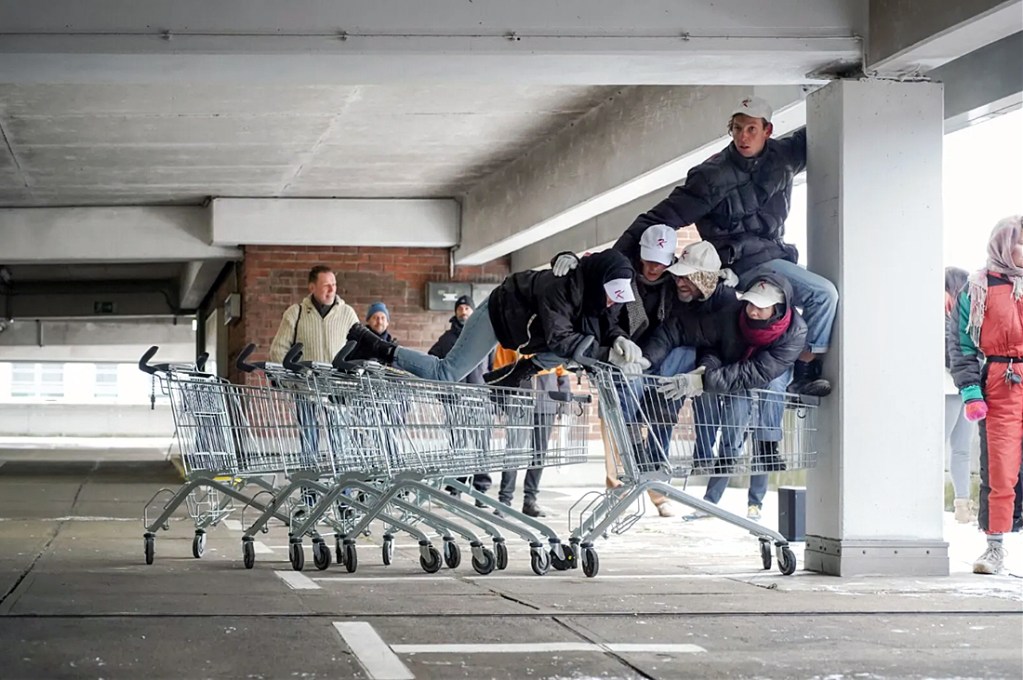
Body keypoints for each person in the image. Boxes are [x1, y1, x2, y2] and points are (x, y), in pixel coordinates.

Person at [559, 95, 837, 397]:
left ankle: (799, 371)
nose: (743, 137)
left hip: (775, 259)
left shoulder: (784, 157)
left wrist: (834, 98)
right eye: (737, 128)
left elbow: (825, 124)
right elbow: (656, 219)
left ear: (767, 131)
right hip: (738, 266)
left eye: (751, 129)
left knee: (800, 311)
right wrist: (599, 265)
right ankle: (804, 370)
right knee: (823, 294)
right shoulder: (711, 177)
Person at [345, 250, 640, 386]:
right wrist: (606, 355)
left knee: (578, 346)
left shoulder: (600, 296)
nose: (613, 301)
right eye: (611, 293)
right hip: (498, 314)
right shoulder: (561, 287)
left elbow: (604, 324)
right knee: (446, 373)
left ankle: (511, 377)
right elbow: (560, 338)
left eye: (619, 296)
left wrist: (618, 339)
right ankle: (373, 345)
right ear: (598, 279)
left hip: (521, 328)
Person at [650, 271, 807, 520]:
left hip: (767, 373)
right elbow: (712, 344)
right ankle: (711, 503)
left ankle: (756, 501)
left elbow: (759, 371)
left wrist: (705, 379)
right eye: (750, 303)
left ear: (777, 309)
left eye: (760, 307)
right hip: (738, 371)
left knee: (766, 420)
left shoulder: (794, 332)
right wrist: (705, 369)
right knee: (733, 431)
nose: (752, 311)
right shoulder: (734, 314)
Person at [948, 215, 1023, 574]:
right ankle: (994, 547)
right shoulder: (976, 287)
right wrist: (971, 391)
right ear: (1003, 246)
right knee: (1000, 466)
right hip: (1000, 382)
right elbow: (961, 345)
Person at [268, 265, 359, 507]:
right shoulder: (295, 313)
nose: (332, 289)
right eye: (326, 285)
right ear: (312, 287)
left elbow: (360, 348)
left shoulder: (348, 314)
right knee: (308, 442)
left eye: (334, 284)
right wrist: (290, 381)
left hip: (338, 392)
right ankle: (309, 495)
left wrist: (353, 376)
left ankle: (344, 497)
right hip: (305, 391)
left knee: (340, 444)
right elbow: (278, 350)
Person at [490, 345, 572, 518]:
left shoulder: (550, 341)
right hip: (519, 400)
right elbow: (499, 372)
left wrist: (564, 403)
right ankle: (504, 501)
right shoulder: (509, 341)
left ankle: (530, 501)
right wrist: (503, 405)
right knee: (514, 451)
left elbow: (562, 373)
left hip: (546, 399)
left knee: (539, 453)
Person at [429, 294, 493, 500]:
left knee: (481, 445)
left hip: (478, 400)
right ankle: (456, 486)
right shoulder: (446, 340)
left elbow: (494, 368)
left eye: (467, 308)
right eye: (460, 308)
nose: (463, 311)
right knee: (458, 445)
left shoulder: (485, 338)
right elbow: (432, 364)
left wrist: (492, 396)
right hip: (454, 401)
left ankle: (481, 489)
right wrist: (443, 393)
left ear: (473, 313)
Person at [945, 267, 977, 523]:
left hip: (959, 390)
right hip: (953, 389)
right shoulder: (950, 320)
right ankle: (961, 505)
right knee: (951, 447)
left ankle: (963, 505)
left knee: (961, 449)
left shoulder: (957, 317)